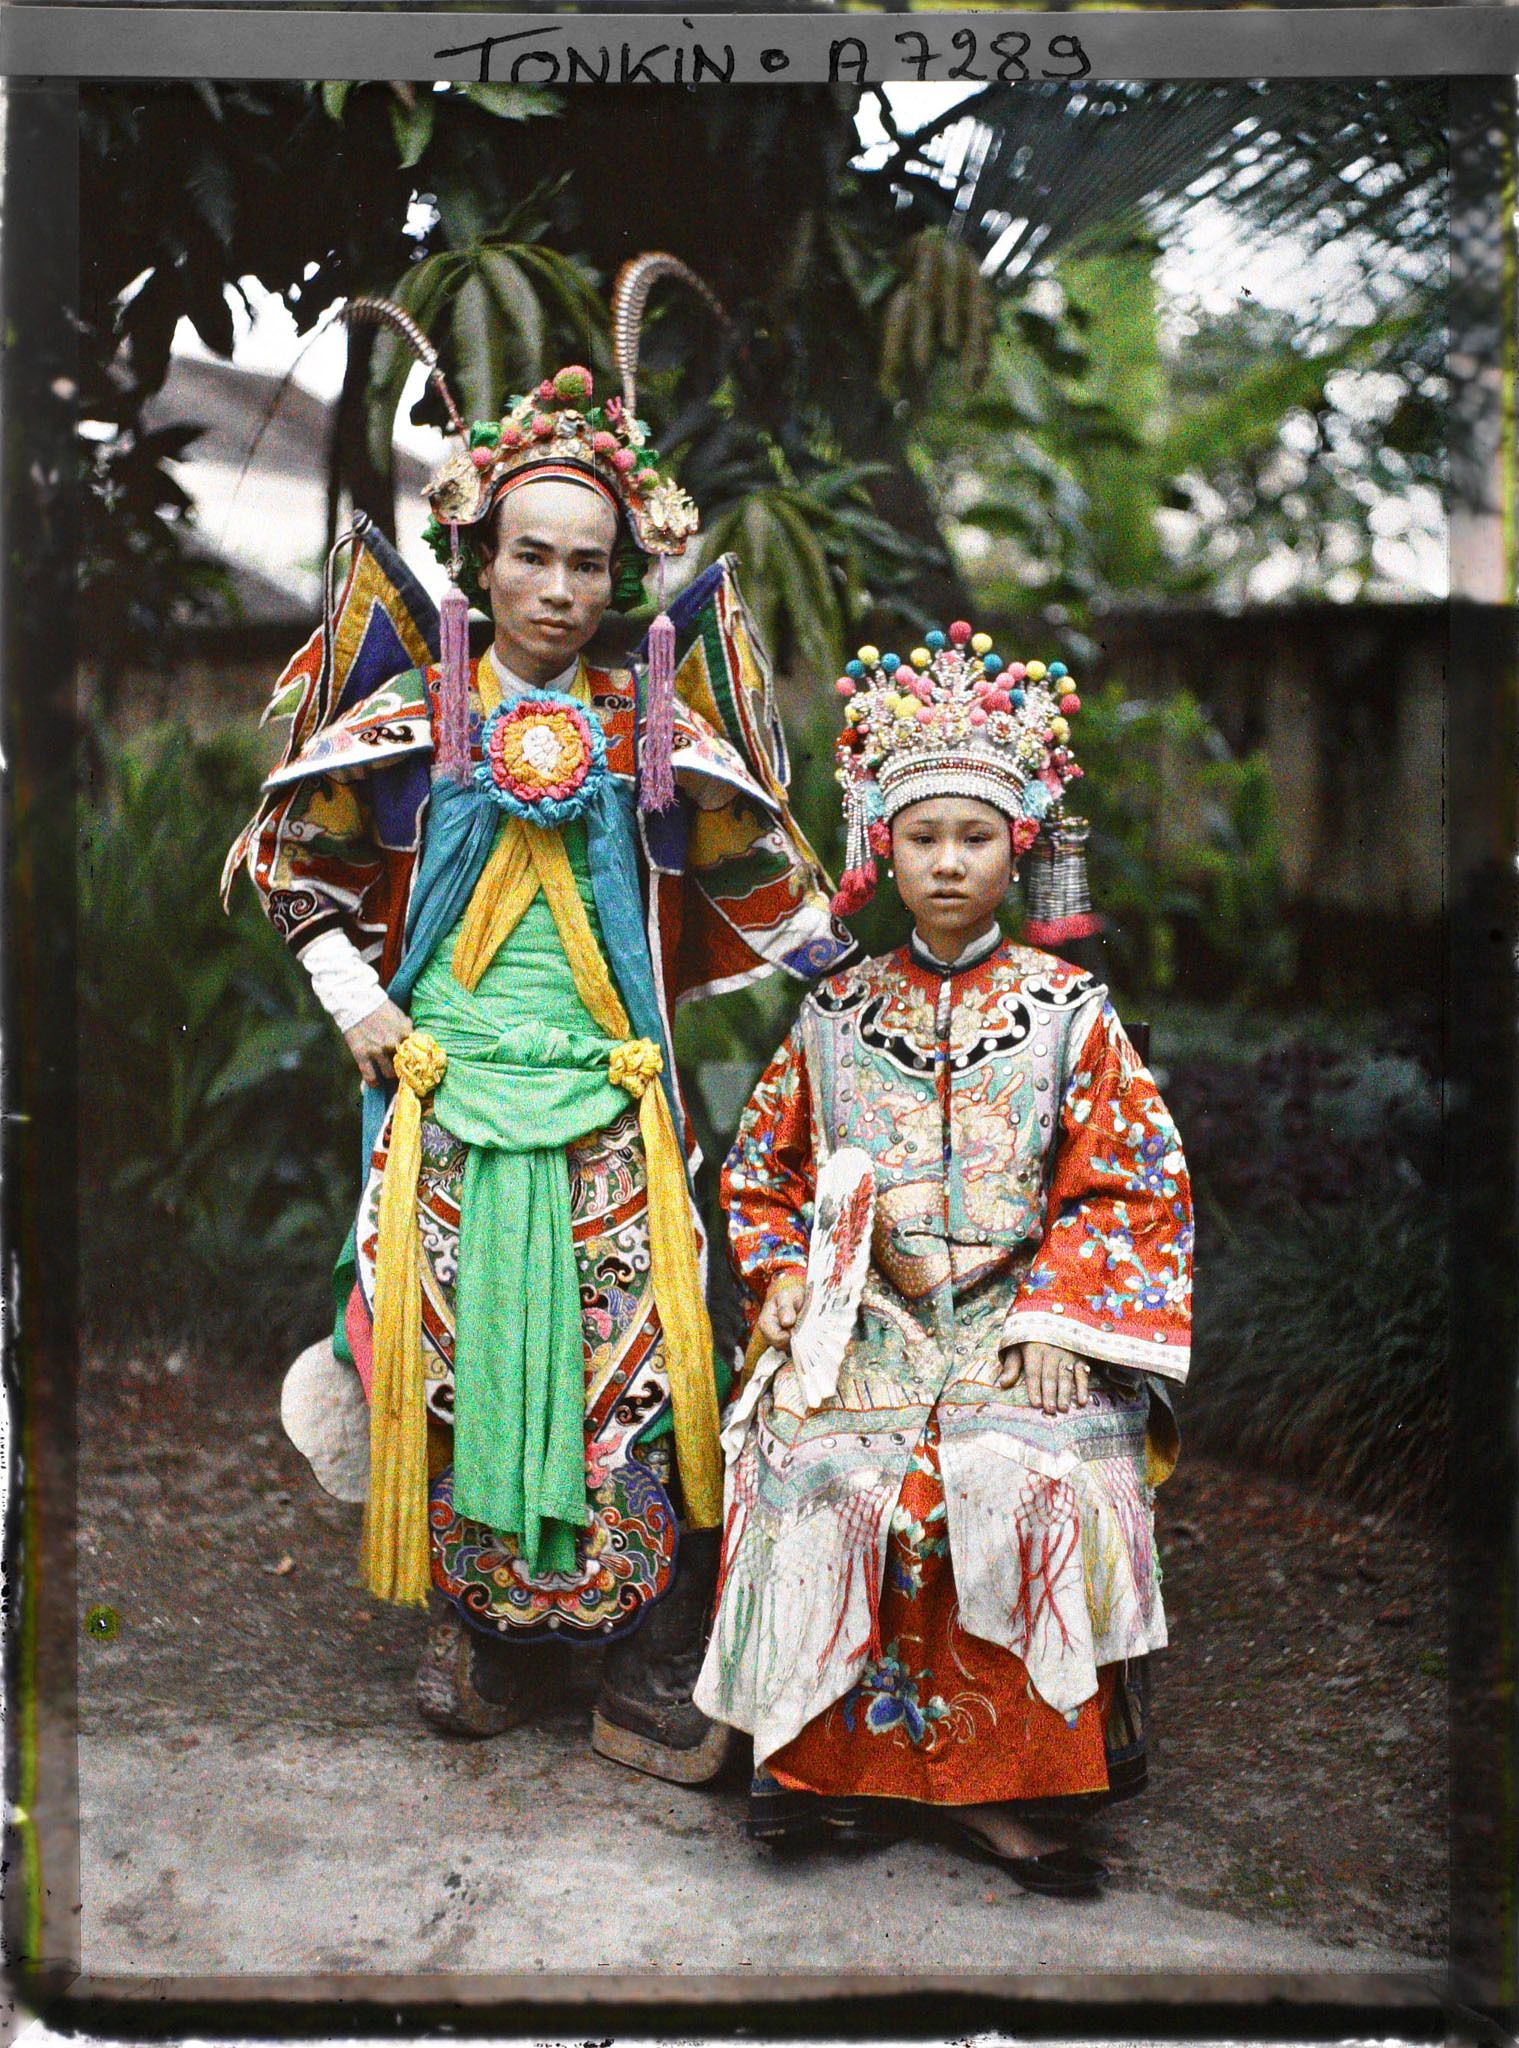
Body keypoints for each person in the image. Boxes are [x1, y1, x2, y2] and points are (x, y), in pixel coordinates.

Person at [228, 356, 850, 1783]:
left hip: (611, 1101)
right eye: (532, 558)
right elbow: (298, 864)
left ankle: (635, 1644)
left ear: (621, 576)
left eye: (589, 564)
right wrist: (354, 1003)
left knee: (627, 1364)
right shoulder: (403, 724)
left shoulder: (653, 728)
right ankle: (475, 1633)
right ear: (480, 559)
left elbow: (757, 870)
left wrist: (858, 975)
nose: (561, 590)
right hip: (444, 1095)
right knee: (448, 1359)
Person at [695, 624, 1193, 1891]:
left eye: (974, 835)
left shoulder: (1071, 1012)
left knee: (1010, 1467)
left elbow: (1127, 1183)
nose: (949, 862)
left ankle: (1011, 1792)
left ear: (1019, 842)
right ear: (885, 848)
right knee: (814, 1460)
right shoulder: (832, 1009)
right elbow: (758, 1172)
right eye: (923, 837)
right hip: (865, 1310)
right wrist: (789, 1277)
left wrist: (1058, 1323)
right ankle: (824, 1773)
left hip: (1019, 1315)